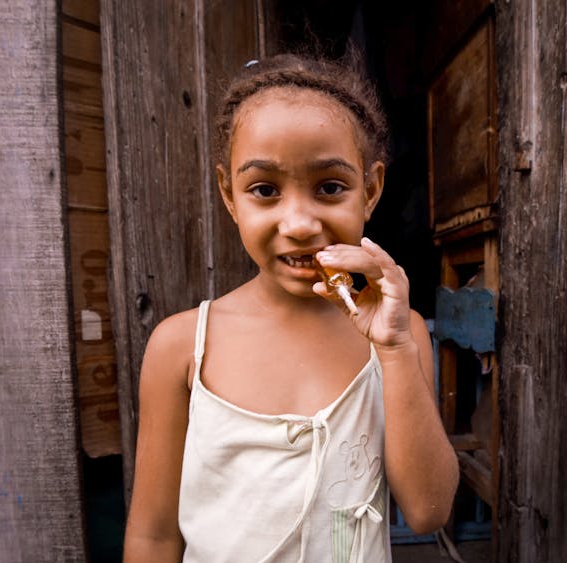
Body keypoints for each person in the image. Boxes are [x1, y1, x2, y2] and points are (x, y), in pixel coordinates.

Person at [122, 52, 459, 563]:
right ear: (229, 195)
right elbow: (153, 536)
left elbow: (428, 511)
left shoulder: (399, 334)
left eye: (329, 187)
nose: (299, 222)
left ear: (370, 191)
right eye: (265, 190)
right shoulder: (183, 346)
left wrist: (393, 349)